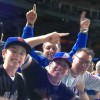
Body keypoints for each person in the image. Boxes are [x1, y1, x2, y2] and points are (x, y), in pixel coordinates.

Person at [22, 5, 90, 66]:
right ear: (43, 49)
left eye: (54, 48)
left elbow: (78, 51)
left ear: (59, 50)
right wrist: (29, 24)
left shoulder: (64, 61)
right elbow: (26, 46)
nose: (51, 51)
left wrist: (83, 32)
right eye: (48, 48)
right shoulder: (36, 60)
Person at [21, 52, 89, 100]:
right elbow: (20, 50)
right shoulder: (37, 71)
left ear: (67, 72)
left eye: (64, 66)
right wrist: (45, 38)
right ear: (50, 65)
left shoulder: (64, 91)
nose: (60, 67)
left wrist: (82, 92)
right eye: (58, 63)